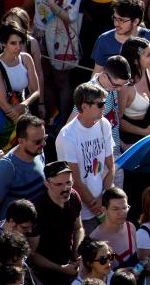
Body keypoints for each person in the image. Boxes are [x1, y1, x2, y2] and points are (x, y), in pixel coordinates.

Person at [56, 83, 115, 234]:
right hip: (82, 212)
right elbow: (74, 180)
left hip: (103, 204)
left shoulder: (104, 125)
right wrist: (95, 205)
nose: (104, 107)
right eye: (100, 104)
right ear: (84, 106)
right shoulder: (67, 136)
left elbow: (111, 166)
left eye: (104, 103)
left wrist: (104, 198)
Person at [27, 161, 84, 285]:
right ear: (47, 184)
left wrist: (77, 251)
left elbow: (78, 228)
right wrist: (61, 269)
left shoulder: (74, 197)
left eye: (68, 182)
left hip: (70, 264)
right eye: (59, 184)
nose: (65, 188)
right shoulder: (36, 209)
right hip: (45, 272)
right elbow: (31, 254)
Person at [91, 0, 150, 76]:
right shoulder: (104, 40)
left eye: (121, 20)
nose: (116, 24)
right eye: (115, 18)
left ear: (135, 21)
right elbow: (96, 75)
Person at [0, 21, 41, 149]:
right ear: (3, 43)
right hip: (2, 120)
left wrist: (23, 105)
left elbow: (36, 91)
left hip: (23, 112)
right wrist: (19, 119)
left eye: (20, 42)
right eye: (13, 43)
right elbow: (3, 103)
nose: (18, 47)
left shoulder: (26, 58)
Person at [0, 116, 45, 220]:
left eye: (44, 138)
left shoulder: (38, 151)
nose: (43, 144)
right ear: (21, 141)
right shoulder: (7, 167)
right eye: (37, 141)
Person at [90, 187, 137, 270]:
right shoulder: (95, 239)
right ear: (104, 210)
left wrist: (145, 265)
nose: (121, 213)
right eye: (115, 209)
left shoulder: (130, 227)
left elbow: (138, 260)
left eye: (124, 208)